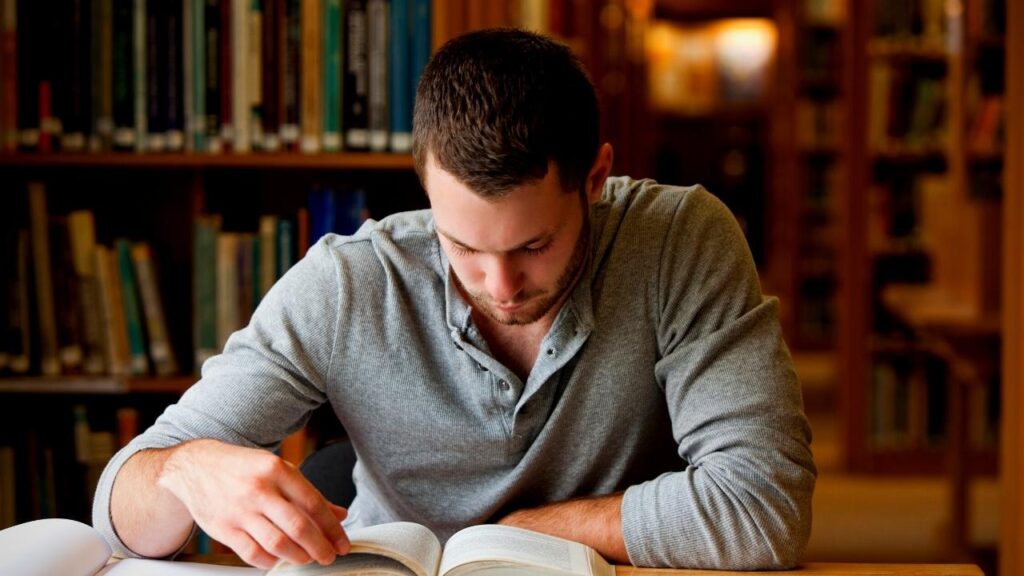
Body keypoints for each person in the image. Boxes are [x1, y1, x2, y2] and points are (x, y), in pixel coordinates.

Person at [93, 28, 816, 571]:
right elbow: (118, 514)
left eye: (534, 245)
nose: (500, 289)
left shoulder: (680, 241)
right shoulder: (349, 284)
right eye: (463, 247)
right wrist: (183, 471)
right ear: (426, 192)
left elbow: (764, 507)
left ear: (595, 180)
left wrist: (521, 533)